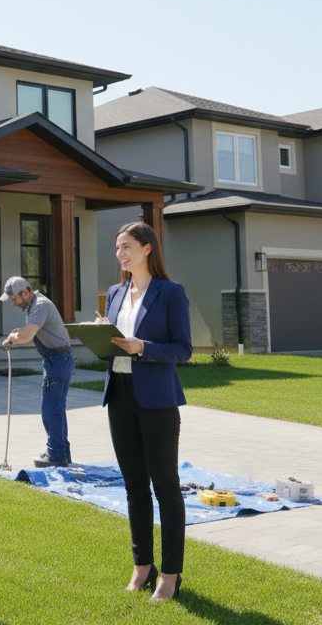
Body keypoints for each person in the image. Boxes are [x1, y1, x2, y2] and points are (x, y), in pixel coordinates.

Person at [96, 221, 192, 600]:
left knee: (165, 488)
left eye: (126, 246)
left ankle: (170, 576)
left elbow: (182, 349)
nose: (120, 253)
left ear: (147, 248)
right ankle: (142, 568)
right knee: (134, 487)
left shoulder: (170, 293)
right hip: (118, 396)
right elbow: (114, 344)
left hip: (157, 401)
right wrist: (103, 334)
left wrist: (143, 347)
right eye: (117, 248)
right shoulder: (117, 293)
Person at [0, 276, 75, 468]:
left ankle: (56, 455)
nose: (14, 303)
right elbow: (25, 329)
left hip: (58, 359)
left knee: (51, 410)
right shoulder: (33, 306)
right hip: (57, 359)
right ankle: (61, 451)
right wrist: (15, 334)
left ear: (26, 292)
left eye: (15, 299)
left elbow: (25, 335)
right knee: (55, 408)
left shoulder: (40, 305)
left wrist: (11, 339)